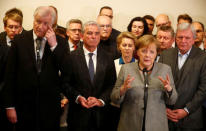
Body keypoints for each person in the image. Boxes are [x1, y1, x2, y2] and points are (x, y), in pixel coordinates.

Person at [1, 6, 69, 131]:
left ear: (52, 25)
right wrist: (9, 106)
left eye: (45, 23)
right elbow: (9, 75)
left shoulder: (61, 42)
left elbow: (67, 71)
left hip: (50, 109)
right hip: (23, 107)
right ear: (33, 19)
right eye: (38, 21)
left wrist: (54, 46)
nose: (40, 26)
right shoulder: (19, 40)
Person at [111, 34, 177, 131]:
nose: (147, 55)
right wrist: (122, 90)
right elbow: (114, 98)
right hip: (130, 124)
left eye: (151, 52)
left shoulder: (165, 69)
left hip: (156, 125)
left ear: (156, 54)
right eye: (143, 51)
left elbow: (172, 100)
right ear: (137, 52)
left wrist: (169, 89)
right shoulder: (126, 69)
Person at [66, 21, 116, 131]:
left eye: (97, 33)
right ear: (82, 36)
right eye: (89, 33)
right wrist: (78, 97)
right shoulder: (71, 57)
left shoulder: (108, 57)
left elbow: (111, 84)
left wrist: (101, 100)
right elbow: (65, 84)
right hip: (78, 116)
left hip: (101, 117)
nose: (93, 36)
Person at [159, 23, 206, 131]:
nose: (183, 40)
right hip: (165, 118)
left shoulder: (203, 58)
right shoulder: (165, 54)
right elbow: (157, 83)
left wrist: (186, 110)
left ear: (194, 39)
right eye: (180, 37)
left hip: (191, 119)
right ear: (175, 38)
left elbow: (203, 89)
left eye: (187, 37)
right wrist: (164, 108)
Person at [0, 7, 24, 131]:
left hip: (23, 95)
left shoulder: (27, 40)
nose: (14, 30)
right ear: (5, 27)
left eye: (17, 27)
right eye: (10, 27)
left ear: (21, 27)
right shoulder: (0, 40)